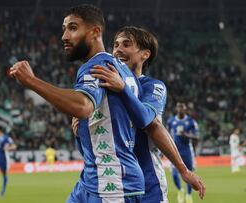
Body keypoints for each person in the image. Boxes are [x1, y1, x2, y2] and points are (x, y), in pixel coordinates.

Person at [10, 4, 166, 202]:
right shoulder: (120, 69)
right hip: (92, 179)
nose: (64, 36)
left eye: (73, 28)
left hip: (112, 184)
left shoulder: (98, 65)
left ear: (95, 32)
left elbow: (82, 107)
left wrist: (31, 81)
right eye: (64, 29)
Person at [72, 26, 206, 203]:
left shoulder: (152, 86)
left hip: (148, 184)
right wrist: (79, 132)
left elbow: (150, 123)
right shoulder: (101, 84)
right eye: (116, 44)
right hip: (107, 182)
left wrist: (184, 170)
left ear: (145, 54)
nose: (118, 49)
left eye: (126, 44)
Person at [167, 102, 199, 203]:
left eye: (182, 107)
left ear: (185, 109)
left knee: (190, 173)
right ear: (176, 109)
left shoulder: (191, 122)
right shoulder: (171, 121)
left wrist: (187, 135)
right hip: (174, 150)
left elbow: (197, 136)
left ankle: (189, 195)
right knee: (174, 174)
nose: (180, 109)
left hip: (187, 151)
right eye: (178, 107)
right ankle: (180, 190)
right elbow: (166, 135)